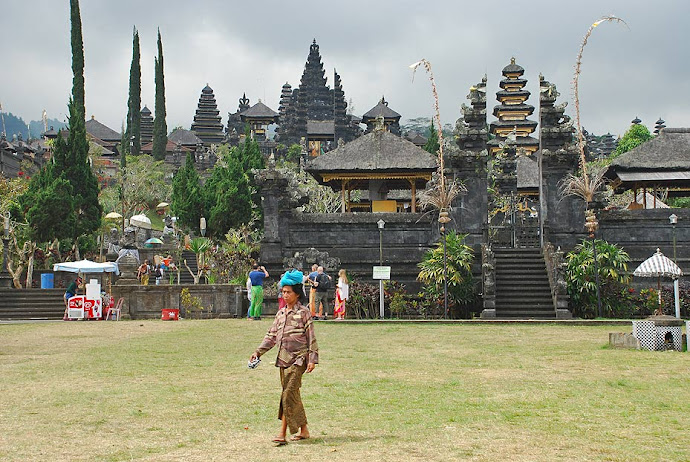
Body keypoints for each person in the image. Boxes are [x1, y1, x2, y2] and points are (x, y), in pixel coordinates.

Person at [250, 269, 318, 445]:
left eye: (288, 292)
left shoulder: (304, 313)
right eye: (283, 292)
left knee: (287, 394)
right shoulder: (280, 314)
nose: (285, 295)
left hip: (299, 359)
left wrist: (312, 359)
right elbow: (271, 336)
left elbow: (311, 337)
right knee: (292, 394)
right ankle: (304, 430)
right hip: (283, 359)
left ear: (297, 294)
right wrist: (258, 352)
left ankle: (282, 433)